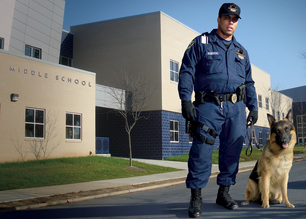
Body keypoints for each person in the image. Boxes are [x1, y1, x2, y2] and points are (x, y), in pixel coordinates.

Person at [178, 3, 258, 218]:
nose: (230, 22)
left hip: (237, 109)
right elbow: (186, 71)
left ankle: (224, 193)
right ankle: (196, 198)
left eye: (234, 19)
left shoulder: (241, 51)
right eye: (227, 18)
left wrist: (253, 107)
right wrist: (185, 99)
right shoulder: (201, 43)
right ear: (218, 19)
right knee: (201, 151)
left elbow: (249, 82)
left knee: (232, 152)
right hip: (208, 106)